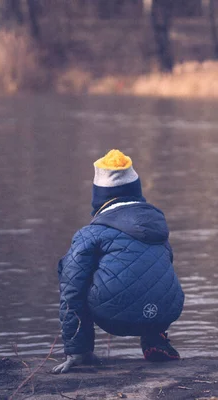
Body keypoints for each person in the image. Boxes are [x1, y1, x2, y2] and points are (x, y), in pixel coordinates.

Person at [52, 149, 185, 374]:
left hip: (116, 318)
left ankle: (82, 352)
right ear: (136, 190)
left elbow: (71, 291)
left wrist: (75, 347)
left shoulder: (90, 233)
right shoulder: (157, 224)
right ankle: (155, 338)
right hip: (166, 310)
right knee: (153, 270)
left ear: (100, 196)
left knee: (71, 273)